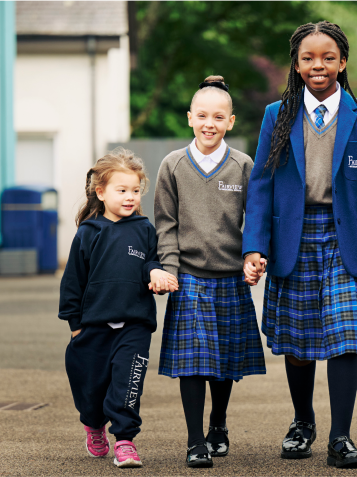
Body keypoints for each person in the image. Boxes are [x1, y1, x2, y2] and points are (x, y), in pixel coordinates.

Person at [242, 21, 357, 469]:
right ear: (296, 65)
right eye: (308, 58)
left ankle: (341, 436)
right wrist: (254, 245)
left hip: (347, 240)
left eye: (328, 57)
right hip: (291, 239)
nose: (319, 66)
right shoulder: (278, 115)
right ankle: (302, 422)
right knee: (297, 344)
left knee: (345, 336)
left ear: (343, 62)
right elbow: (260, 184)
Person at [154, 75, 267, 468]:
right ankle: (194, 440)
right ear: (189, 118)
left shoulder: (243, 166)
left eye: (218, 117)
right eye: (202, 115)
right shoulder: (172, 165)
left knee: (223, 362)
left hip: (231, 278)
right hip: (188, 278)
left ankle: (218, 423)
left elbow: (256, 220)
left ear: (231, 122)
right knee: (193, 362)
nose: (209, 123)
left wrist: (254, 258)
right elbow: (164, 223)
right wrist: (168, 268)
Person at [59, 148, 179, 468]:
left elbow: (151, 261)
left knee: (128, 382)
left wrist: (155, 271)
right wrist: (75, 324)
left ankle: (125, 440)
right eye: (122, 190)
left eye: (135, 191)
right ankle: (93, 424)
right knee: (91, 386)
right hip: (93, 325)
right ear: (101, 192)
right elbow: (73, 281)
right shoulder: (87, 233)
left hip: (134, 324)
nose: (130, 197)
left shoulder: (144, 230)